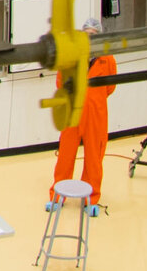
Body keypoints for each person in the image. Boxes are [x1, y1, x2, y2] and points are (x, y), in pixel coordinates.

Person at [47, 19, 116, 214]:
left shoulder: (107, 59)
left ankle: (91, 199)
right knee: (66, 155)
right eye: (86, 34)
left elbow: (110, 87)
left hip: (96, 115)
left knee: (94, 156)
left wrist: (93, 100)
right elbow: (61, 82)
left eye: (93, 35)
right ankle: (57, 196)